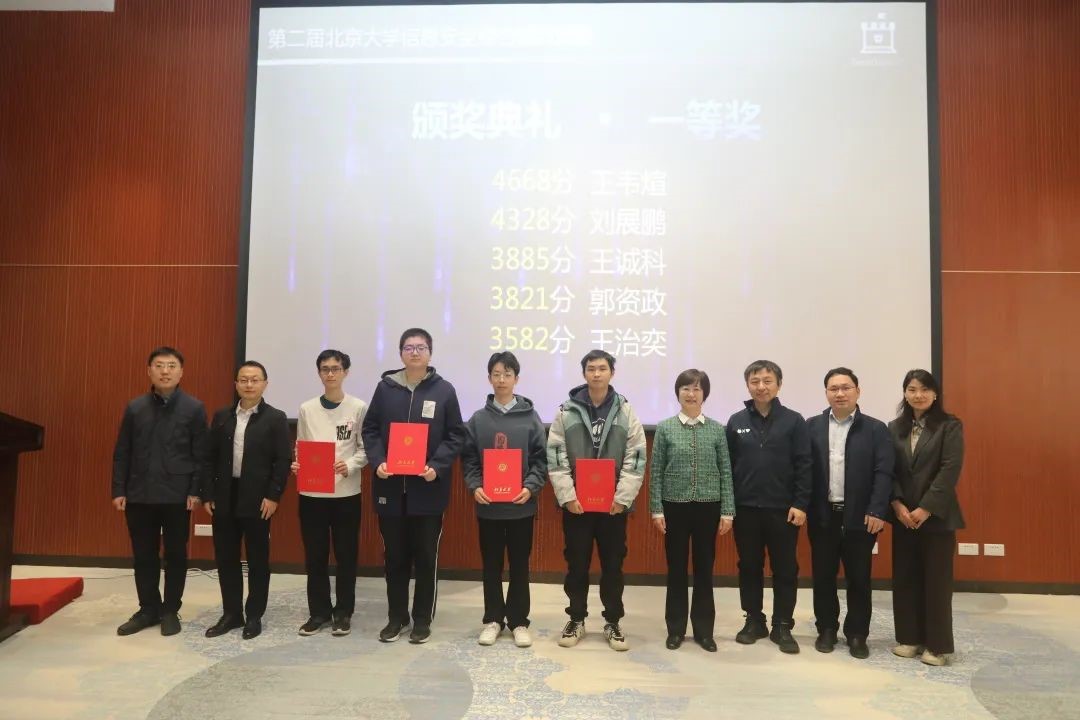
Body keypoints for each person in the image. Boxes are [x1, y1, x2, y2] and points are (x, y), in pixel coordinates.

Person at [361, 328, 465, 645]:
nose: (415, 352)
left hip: (428, 491)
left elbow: (456, 435)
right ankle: (396, 618)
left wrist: (437, 466)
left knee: (426, 558)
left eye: (421, 347)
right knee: (394, 558)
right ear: (401, 353)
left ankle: (421, 619)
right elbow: (370, 429)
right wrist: (378, 460)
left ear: (430, 353)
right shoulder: (385, 389)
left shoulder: (444, 390)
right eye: (409, 347)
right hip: (390, 489)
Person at [548, 349, 647, 652]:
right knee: (576, 564)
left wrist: (622, 498)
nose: (596, 374)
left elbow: (636, 456)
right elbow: (556, 455)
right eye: (591, 369)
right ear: (584, 373)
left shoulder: (625, 411)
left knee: (613, 566)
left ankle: (613, 621)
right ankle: (576, 618)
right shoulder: (566, 411)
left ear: (611, 373)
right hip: (577, 506)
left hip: (613, 507)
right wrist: (568, 497)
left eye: (602, 368)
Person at [111, 346, 207, 637]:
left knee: (176, 554)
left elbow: (201, 454)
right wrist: (119, 489)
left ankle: (170, 610)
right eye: (159, 365)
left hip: (178, 495)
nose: (165, 371)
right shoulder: (135, 408)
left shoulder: (194, 408)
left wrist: (196, 490)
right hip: (139, 493)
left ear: (181, 372)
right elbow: (122, 452)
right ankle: (148, 609)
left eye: (171, 366)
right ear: (149, 371)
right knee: (143, 555)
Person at [461, 351, 547, 648]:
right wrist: (475, 486)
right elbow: (469, 459)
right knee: (491, 565)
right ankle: (493, 620)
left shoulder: (530, 418)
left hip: (521, 506)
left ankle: (519, 621)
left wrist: (531, 487)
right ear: (489, 378)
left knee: (520, 565)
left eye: (507, 374)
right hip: (489, 507)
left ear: (516, 379)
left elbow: (540, 460)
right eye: (496, 374)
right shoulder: (478, 419)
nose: (501, 380)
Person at [806, 368, 893, 659]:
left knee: (859, 578)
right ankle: (826, 629)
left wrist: (877, 509)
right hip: (823, 515)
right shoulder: (812, 426)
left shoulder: (875, 429)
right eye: (833, 389)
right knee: (823, 577)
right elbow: (803, 469)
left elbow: (883, 472)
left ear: (858, 391)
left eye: (846, 387)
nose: (840, 393)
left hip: (861, 516)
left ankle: (857, 634)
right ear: (826, 393)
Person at [726, 359, 811, 654]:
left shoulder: (794, 421)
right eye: (755, 381)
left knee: (785, 568)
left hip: (783, 510)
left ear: (778, 384)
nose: (761, 387)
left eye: (767, 381)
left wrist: (801, 503)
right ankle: (754, 620)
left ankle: (782, 624)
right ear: (747, 385)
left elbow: (804, 464)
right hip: (746, 508)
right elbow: (728, 466)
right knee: (749, 566)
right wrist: (729, 506)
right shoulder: (736, 421)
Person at [202, 360, 291, 640]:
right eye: (243, 380)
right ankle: (231, 614)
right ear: (236, 384)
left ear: (265, 384)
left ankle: (254, 615)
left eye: (255, 380)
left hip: (258, 498)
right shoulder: (222, 416)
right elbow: (209, 457)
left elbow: (282, 461)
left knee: (257, 560)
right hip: (224, 496)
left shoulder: (275, 418)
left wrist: (273, 496)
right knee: (226, 557)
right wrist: (208, 493)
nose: (249, 385)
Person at [649, 369, 735, 652]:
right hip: (674, 507)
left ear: (704, 394)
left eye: (697, 389)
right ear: (678, 393)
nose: (691, 393)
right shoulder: (665, 428)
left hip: (708, 508)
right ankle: (675, 629)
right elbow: (656, 471)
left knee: (704, 570)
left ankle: (704, 631)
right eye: (686, 388)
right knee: (676, 570)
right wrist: (656, 509)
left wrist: (727, 511)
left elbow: (726, 471)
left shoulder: (717, 429)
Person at [888, 369, 964, 667]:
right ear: (905, 393)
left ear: (935, 393)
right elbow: (889, 470)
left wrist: (925, 508)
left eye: (924, 389)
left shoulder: (949, 426)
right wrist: (897, 504)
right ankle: (909, 638)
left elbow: (950, 469)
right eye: (912, 389)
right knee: (905, 579)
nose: (918, 395)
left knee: (937, 583)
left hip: (937, 518)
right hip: (903, 517)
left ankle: (937, 646)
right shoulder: (894, 428)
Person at [292, 349, 368, 637]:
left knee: (346, 556)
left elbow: (365, 449)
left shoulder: (358, 407)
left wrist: (350, 465)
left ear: (346, 372)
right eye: (325, 369)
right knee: (315, 556)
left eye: (336, 368)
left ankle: (344, 612)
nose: (330, 373)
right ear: (319, 373)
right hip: (312, 495)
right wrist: (298, 463)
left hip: (346, 494)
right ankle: (319, 612)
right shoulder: (307, 408)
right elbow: (301, 445)